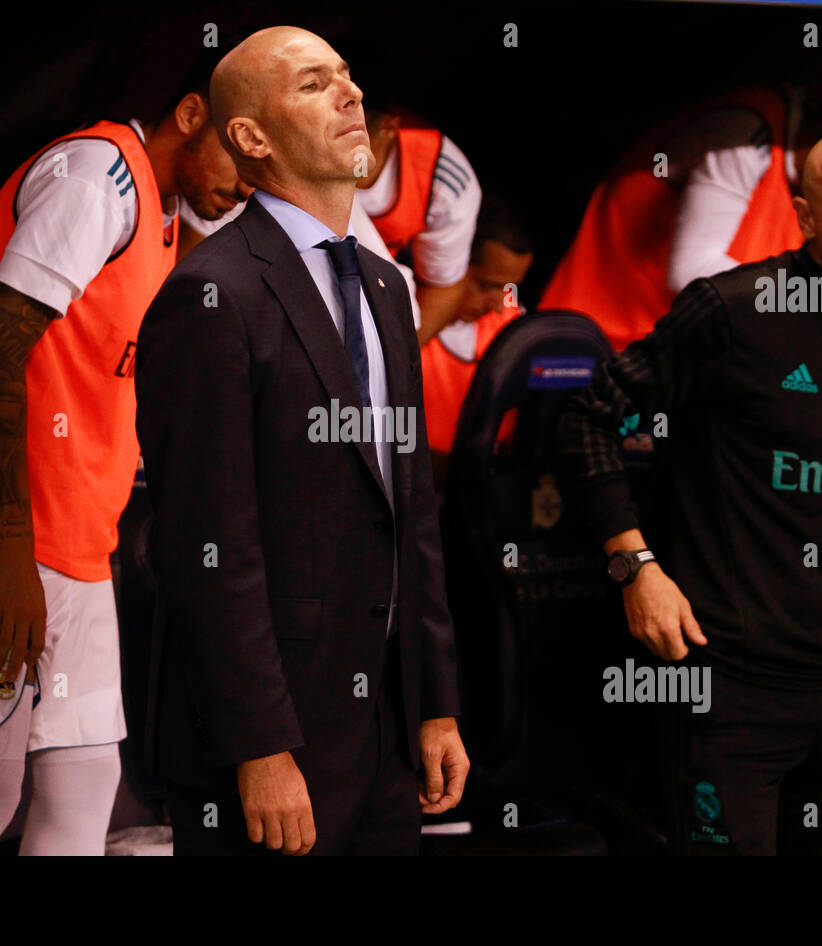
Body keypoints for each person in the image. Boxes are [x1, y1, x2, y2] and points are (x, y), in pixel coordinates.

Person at [0, 55, 242, 855]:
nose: (247, 182)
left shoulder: (164, 210)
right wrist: (13, 551)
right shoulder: (97, 176)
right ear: (189, 112)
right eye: (240, 155)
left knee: (84, 789)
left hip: (73, 543)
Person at [137, 25, 467, 856]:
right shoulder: (209, 294)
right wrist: (259, 747)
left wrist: (435, 703)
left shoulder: (388, 285)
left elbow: (411, 513)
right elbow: (205, 544)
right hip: (271, 743)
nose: (352, 96)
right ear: (249, 136)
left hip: (386, 732)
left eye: (348, 77)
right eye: (315, 84)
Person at [557, 127, 822, 855]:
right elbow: (584, 417)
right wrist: (635, 566)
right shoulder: (733, 310)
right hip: (731, 691)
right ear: (807, 216)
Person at [541, 85, 821, 351]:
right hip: (593, 350)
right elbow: (692, 269)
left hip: (674, 362)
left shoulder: (817, 192)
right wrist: (810, 305)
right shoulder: (745, 133)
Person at [354, 88, 482, 346]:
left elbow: (442, 286)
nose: (340, 152)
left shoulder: (444, 178)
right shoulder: (276, 147)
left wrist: (398, 364)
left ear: (388, 126)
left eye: (356, 138)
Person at [421, 194, 533, 484]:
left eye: (508, 289)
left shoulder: (516, 325)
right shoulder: (398, 319)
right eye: (486, 285)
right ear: (453, 261)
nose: (497, 305)